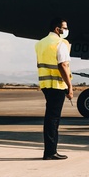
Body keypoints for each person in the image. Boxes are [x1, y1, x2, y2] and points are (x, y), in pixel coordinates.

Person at [35, 17, 74, 160]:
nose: (66, 30)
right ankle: (50, 152)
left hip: (46, 85)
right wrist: (69, 86)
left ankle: (50, 150)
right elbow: (63, 65)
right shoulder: (60, 43)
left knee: (50, 118)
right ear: (58, 29)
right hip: (57, 86)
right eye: (65, 27)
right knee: (53, 120)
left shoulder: (40, 43)